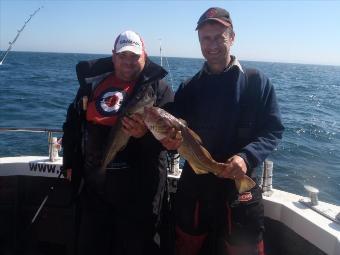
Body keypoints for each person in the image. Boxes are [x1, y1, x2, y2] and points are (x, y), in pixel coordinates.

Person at [161, 7, 284, 255]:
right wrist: (169, 141)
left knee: (244, 248)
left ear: (233, 37)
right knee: (187, 245)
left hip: (239, 186)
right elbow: (173, 132)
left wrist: (246, 157)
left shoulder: (256, 82)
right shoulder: (188, 87)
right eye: (206, 38)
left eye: (219, 37)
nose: (212, 45)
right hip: (196, 186)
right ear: (199, 42)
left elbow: (272, 129)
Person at [62, 30, 173, 255]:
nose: (128, 62)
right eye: (123, 55)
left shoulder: (159, 90)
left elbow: (171, 143)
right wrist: (69, 162)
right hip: (95, 186)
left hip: (139, 191)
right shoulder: (92, 83)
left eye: (135, 56)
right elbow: (73, 125)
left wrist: (145, 136)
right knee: (91, 244)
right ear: (113, 56)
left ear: (145, 56)